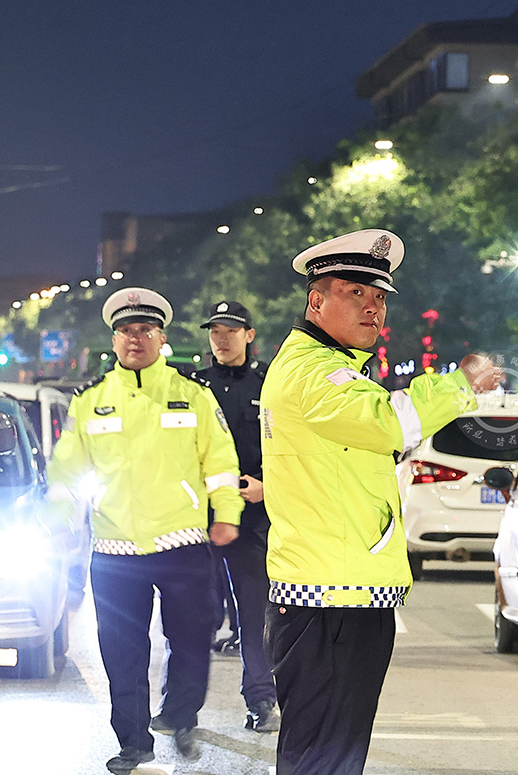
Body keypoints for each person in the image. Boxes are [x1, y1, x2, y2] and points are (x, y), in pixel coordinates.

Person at [260, 229, 501, 775]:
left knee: (331, 752)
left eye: (379, 297)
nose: (373, 308)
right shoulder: (314, 370)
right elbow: (387, 421)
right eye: (355, 294)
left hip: (341, 586)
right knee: (323, 753)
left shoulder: (329, 366)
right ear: (315, 300)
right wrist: (459, 384)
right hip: (330, 594)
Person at [46, 287, 244, 773]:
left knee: (194, 640)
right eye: (126, 331)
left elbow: (219, 460)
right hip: (115, 548)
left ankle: (180, 714)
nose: (135, 339)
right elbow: (66, 472)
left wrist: (227, 514)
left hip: (183, 543)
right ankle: (134, 742)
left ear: (161, 338)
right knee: (122, 652)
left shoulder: (192, 395)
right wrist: (58, 525)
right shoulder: (90, 401)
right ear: (114, 340)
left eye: (144, 330)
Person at [186, 299, 281, 733]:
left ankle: (261, 699)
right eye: (215, 331)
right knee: (189, 613)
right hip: (201, 517)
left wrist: (266, 485)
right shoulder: (192, 386)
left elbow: (287, 448)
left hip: (254, 518)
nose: (222, 338)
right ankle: (181, 706)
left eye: (231, 330)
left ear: (249, 335)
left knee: (254, 613)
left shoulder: (271, 385)